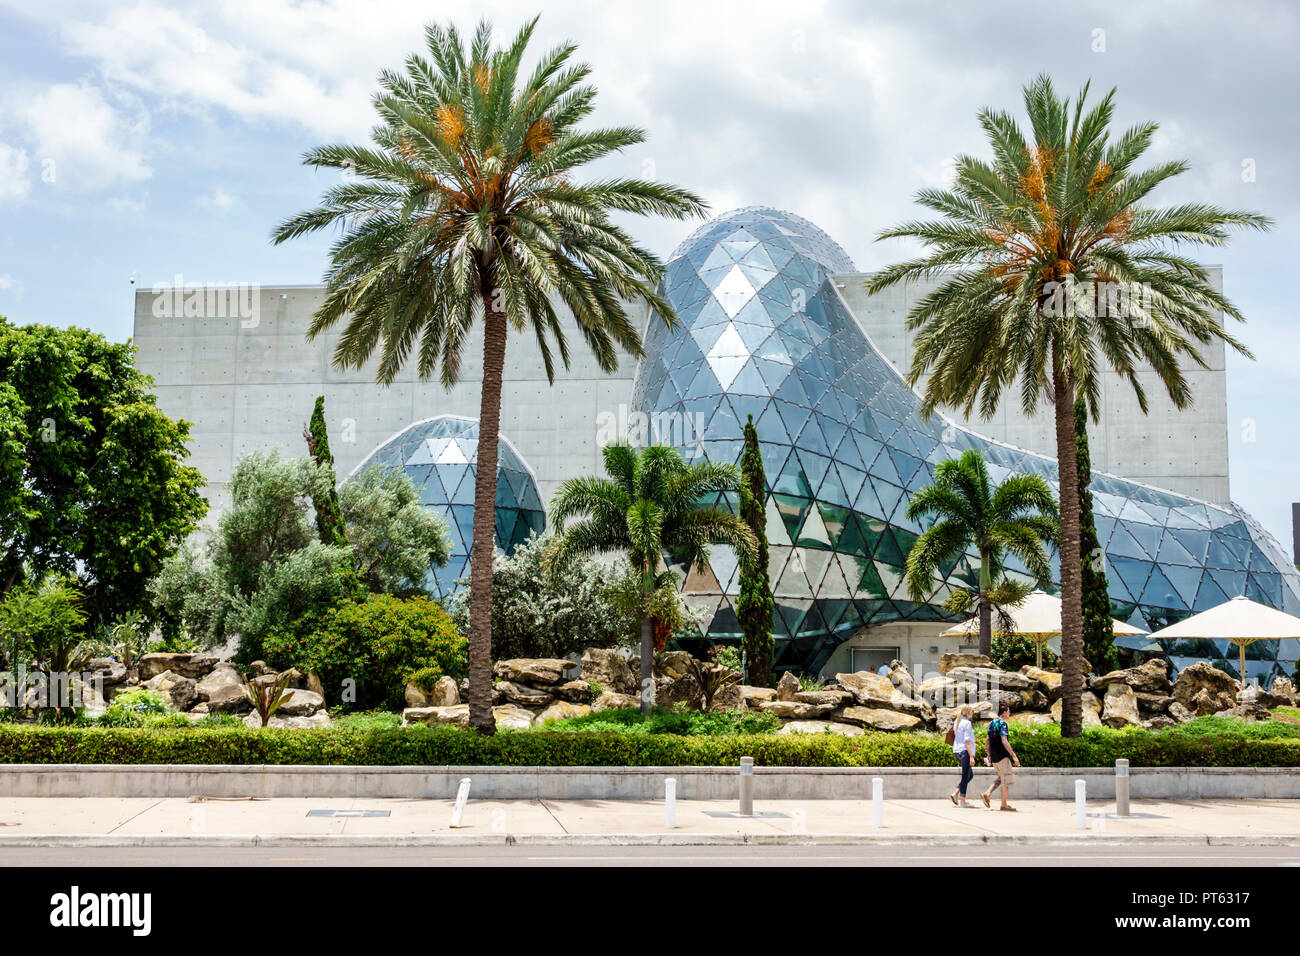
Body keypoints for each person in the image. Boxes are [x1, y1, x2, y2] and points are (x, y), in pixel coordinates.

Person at [981, 704, 1020, 811]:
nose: (1009, 713)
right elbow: (1004, 740)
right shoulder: (1003, 724)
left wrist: (989, 754)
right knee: (1006, 780)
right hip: (1003, 756)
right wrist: (1014, 755)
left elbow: (987, 740)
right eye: (1008, 711)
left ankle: (987, 794)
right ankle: (1004, 805)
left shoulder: (992, 723)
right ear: (1004, 712)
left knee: (1001, 778)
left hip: (994, 757)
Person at [949, 705, 976, 807]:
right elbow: (967, 741)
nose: (972, 714)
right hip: (965, 752)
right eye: (972, 712)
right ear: (968, 713)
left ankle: (955, 793)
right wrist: (971, 756)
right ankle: (963, 801)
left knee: (970, 775)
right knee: (965, 776)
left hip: (957, 751)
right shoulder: (967, 723)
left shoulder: (957, 721)